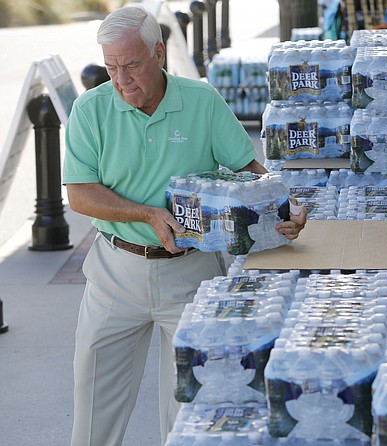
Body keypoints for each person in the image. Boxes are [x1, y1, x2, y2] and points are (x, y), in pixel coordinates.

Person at [62, 5, 306, 445]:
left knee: (191, 408)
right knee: (93, 401)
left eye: (131, 65)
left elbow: (250, 169)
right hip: (115, 274)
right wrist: (147, 213)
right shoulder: (90, 110)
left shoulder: (202, 101)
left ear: (159, 53)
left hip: (193, 274)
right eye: (111, 67)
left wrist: (287, 202)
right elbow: (79, 193)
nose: (121, 80)